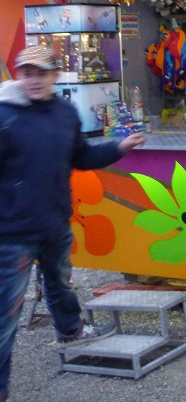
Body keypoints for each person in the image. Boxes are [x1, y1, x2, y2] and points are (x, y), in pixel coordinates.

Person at [0, 46, 145, 402]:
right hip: (12, 234)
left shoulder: (65, 113)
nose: (34, 80)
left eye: (41, 73)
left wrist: (119, 148)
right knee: (5, 317)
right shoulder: (4, 115)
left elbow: (80, 156)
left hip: (54, 225)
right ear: (20, 75)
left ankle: (70, 330)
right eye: (28, 73)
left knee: (61, 284)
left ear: (54, 75)